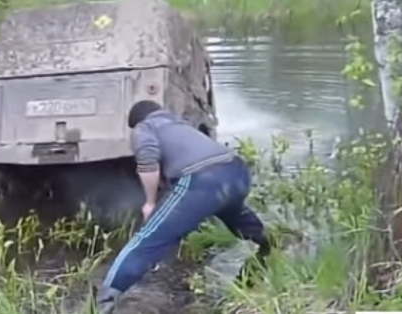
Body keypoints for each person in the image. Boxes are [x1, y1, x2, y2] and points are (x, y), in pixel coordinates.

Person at [95, 100, 272, 313]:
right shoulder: (180, 125)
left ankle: (104, 300)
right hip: (236, 171)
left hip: (203, 180)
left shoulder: (145, 127)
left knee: (148, 239)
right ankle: (272, 245)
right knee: (235, 214)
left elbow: (148, 162)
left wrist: (150, 203)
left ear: (137, 121)